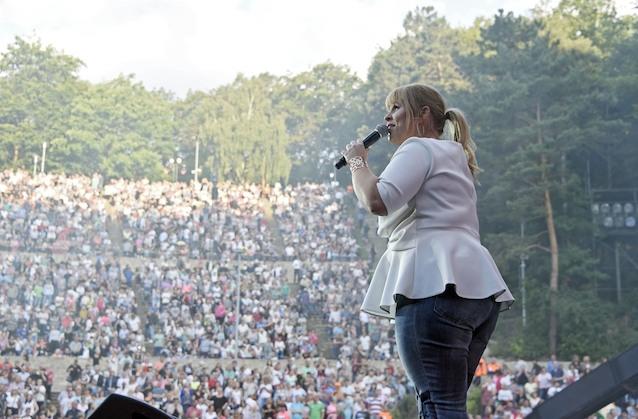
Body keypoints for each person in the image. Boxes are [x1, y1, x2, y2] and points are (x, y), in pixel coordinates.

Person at [341, 83, 514, 417]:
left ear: (423, 115)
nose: (387, 117)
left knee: (438, 403)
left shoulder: (417, 148)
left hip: (433, 285)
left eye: (396, 108)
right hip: (477, 291)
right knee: (442, 403)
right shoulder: (455, 155)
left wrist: (357, 164)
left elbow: (377, 200)